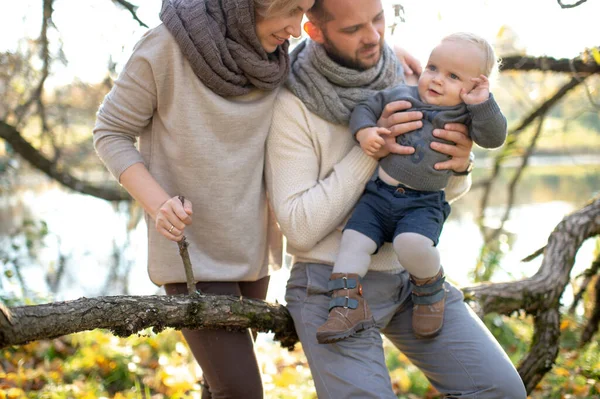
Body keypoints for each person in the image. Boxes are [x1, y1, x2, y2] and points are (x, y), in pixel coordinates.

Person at [265, 0, 527, 397]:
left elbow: (447, 191)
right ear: (315, 31)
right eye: (353, 29)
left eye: (377, 19)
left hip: (410, 280)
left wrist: (460, 165)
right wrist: (370, 150)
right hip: (330, 282)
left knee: (500, 390)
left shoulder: (413, 74)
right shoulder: (292, 104)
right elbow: (300, 230)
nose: (373, 37)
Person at [92, 0, 314, 398]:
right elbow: (110, 132)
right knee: (243, 392)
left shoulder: (276, 58)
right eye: (293, 9)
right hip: (191, 256)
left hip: (252, 255)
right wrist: (158, 203)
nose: (297, 28)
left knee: (220, 386)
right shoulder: (165, 47)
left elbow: (335, 68)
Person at [317, 32, 507, 344]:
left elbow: (494, 137)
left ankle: (430, 290)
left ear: (473, 86)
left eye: (453, 76)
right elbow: (366, 105)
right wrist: (365, 132)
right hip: (378, 197)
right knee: (352, 241)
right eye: (432, 68)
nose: (436, 80)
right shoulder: (401, 96)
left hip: (423, 202)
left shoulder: (467, 114)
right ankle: (346, 307)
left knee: (412, 245)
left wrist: (483, 104)